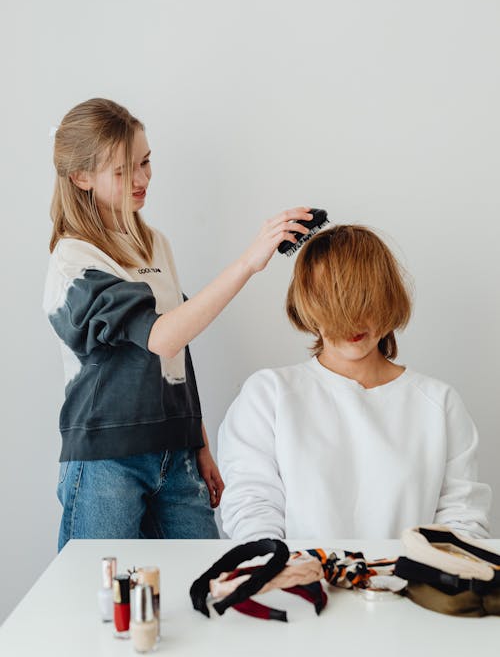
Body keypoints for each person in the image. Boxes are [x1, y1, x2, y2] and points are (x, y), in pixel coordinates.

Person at [43, 97, 312, 550]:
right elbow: (162, 337)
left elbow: (178, 350)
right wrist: (250, 261)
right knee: (100, 605)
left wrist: (199, 441)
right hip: (106, 462)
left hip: (176, 452)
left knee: (201, 588)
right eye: (126, 170)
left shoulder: (155, 244)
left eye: (147, 162)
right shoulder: (74, 261)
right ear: (81, 177)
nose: (144, 179)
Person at [218, 224, 491, 541]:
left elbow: (463, 521)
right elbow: (252, 510)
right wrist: (287, 574)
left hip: (407, 586)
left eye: (364, 299)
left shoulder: (439, 403)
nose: (351, 320)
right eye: (331, 300)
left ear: (388, 298)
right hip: (300, 584)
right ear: (306, 305)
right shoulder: (269, 395)